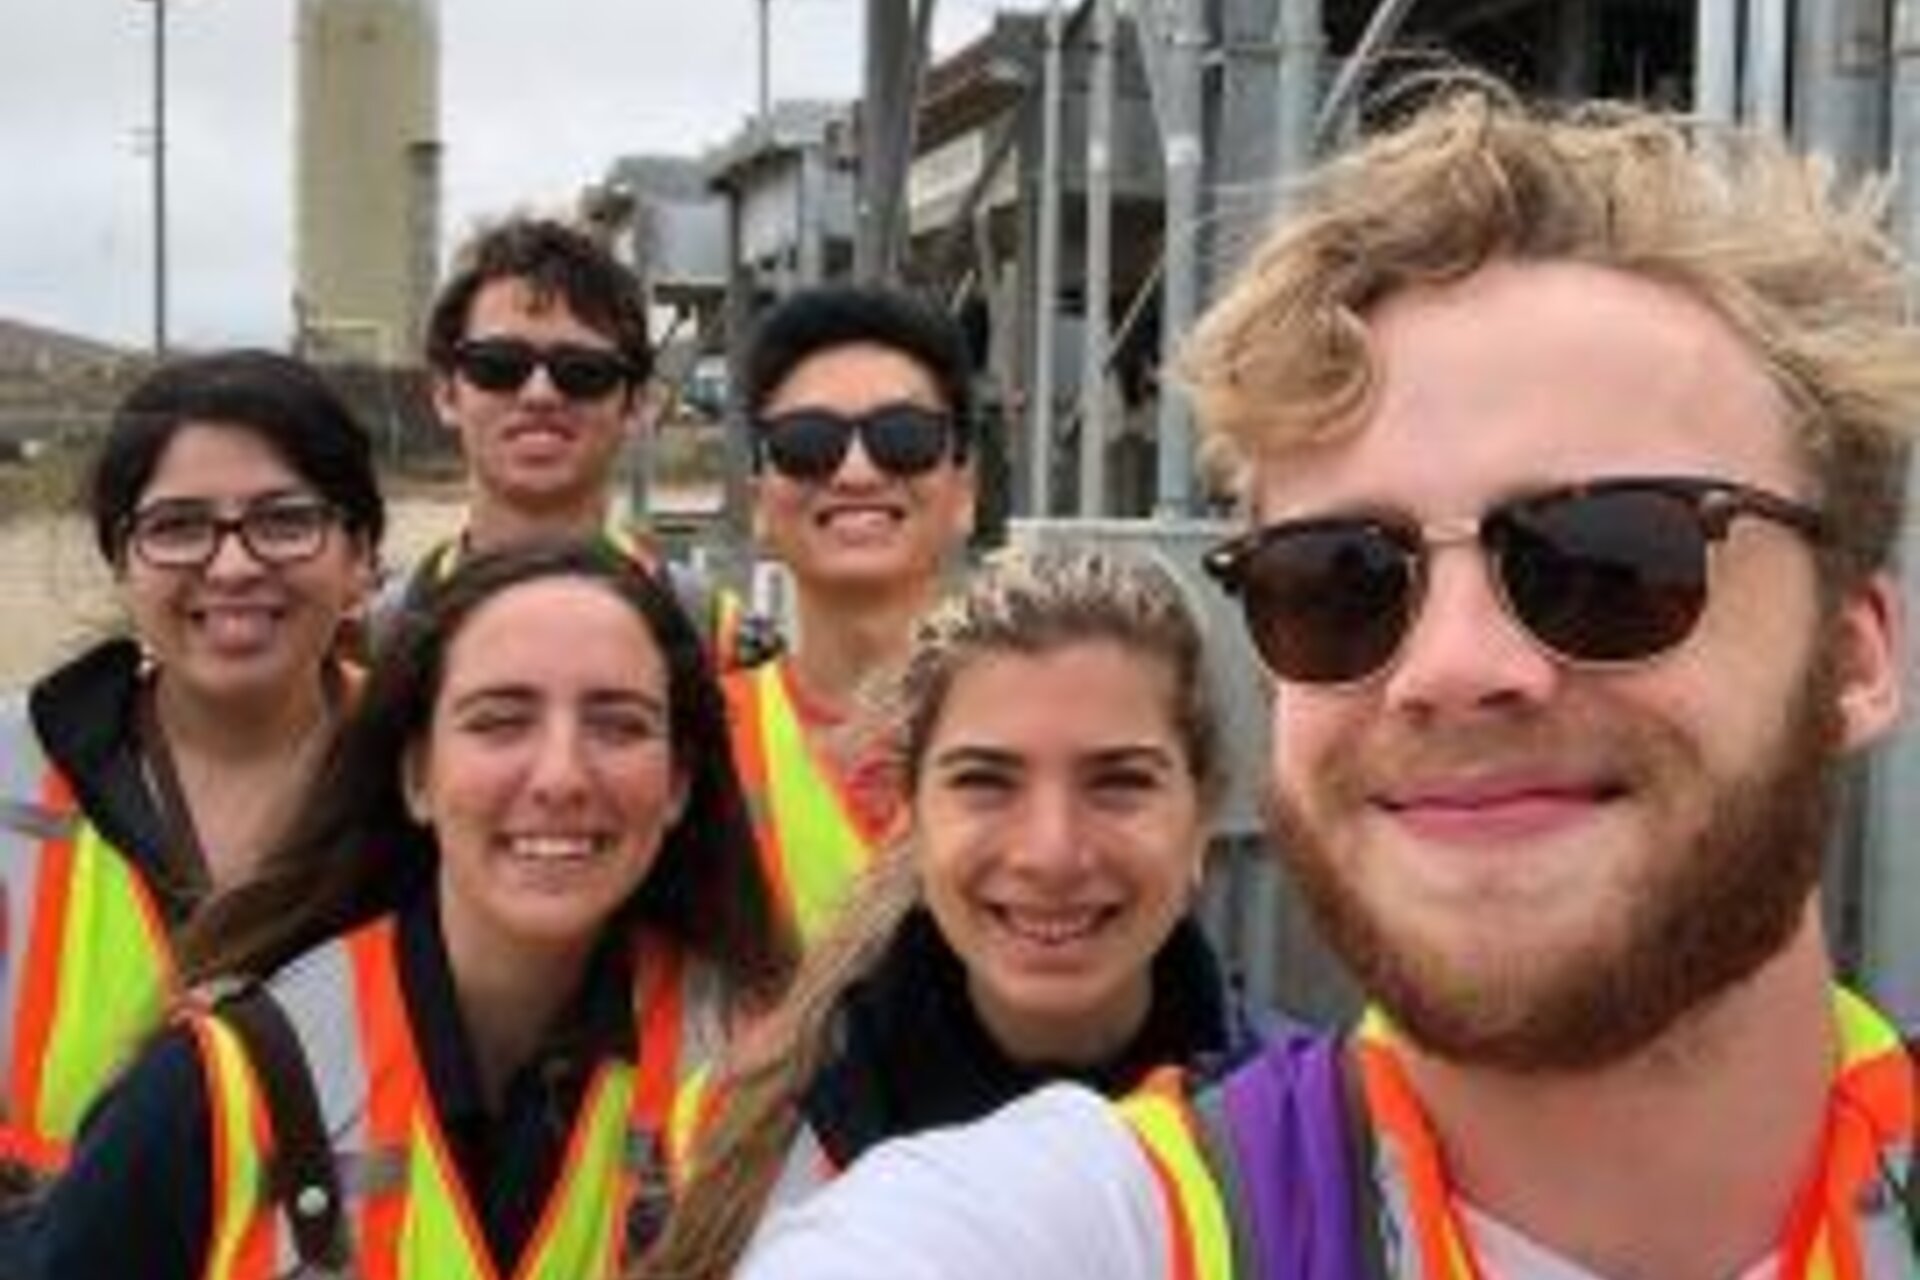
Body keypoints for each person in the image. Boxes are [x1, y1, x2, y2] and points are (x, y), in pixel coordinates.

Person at [738, 87, 1920, 1279]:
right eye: (1342, 581)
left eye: (1608, 558)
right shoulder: (1068, 1230)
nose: (1451, 666)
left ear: (1858, 654)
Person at [16, 540, 794, 1278]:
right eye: (500, 721)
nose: (561, 774)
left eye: (619, 725)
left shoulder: (767, 1076)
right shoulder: (217, 1089)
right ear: (417, 773)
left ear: (681, 783)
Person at [641, 546, 1262, 1278]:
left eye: (1119, 782)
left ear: (1201, 820)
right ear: (911, 814)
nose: (1050, 853)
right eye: (986, 782)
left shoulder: (1313, 1151)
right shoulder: (732, 1144)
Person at [0, 349, 383, 1174]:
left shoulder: (453, 782)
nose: (235, 565)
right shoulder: (12, 780)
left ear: (360, 559)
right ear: (121, 562)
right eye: (178, 527)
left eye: (285, 519)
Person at [379, 214, 772, 669]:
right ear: (446, 393)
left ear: (636, 404)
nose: (540, 394)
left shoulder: (720, 643)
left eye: (583, 371)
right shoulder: (374, 641)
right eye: (499, 365)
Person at [728, 283, 979, 945]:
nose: (857, 471)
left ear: (965, 493)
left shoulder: (1053, 736)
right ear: (759, 500)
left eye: (904, 437)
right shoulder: (693, 746)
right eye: (808, 443)